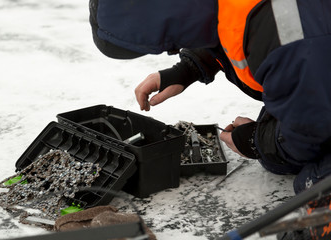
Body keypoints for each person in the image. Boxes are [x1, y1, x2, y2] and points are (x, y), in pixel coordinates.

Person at [89, 0, 331, 238]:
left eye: (168, 45)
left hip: (310, 59)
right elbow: (224, 22)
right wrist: (188, 68)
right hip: (314, 60)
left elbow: (308, 134)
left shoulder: (290, 39)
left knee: (318, 198)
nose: (170, 49)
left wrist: (257, 141)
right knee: (282, 142)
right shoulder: (249, 16)